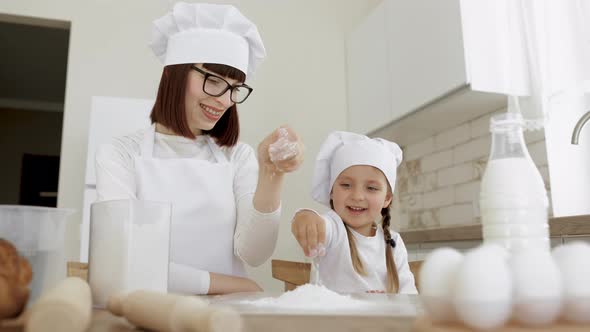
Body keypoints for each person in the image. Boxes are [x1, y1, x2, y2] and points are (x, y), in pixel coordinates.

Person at [95, 2, 304, 295]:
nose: (224, 100)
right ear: (173, 75)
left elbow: (253, 253)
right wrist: (233, 284)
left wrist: (273, 174)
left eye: (234, 88)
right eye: (213, 80)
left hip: (223, 319)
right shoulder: (120, 155)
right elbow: (124, 260)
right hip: (147, 313)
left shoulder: (238, 157)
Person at [291, 131, 417, 294]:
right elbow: (317, 224)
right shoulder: (334, 230)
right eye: (346, 185)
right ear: (331, 191)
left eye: (371, 188)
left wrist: (387, 301)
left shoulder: (394, 242)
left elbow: (410, 298)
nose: (357, 196)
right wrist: (305, 217)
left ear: (387, 198)